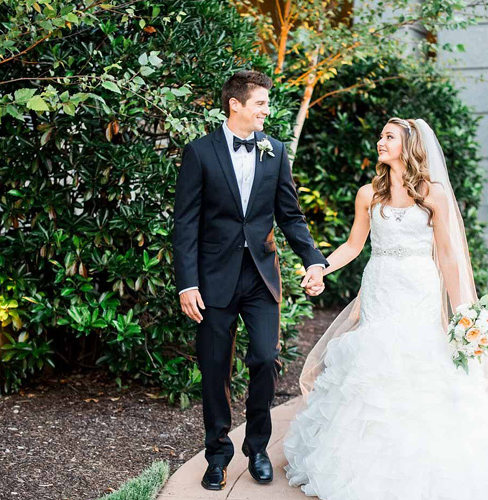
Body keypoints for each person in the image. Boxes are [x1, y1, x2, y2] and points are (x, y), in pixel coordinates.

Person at [282, 117, 488, 500]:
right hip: (380, 286)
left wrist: (464, 311)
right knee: (374, 361)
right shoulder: (368, 194)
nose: (380, 141)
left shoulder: (433, 194)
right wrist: (321, 268)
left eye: (389, 136)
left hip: (419, 288)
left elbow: (447, 255)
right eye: (380, 135)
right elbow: (353, 247)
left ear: (408, 145)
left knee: (420, 361)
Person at [172, 70, 329, 491]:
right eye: (260, 102)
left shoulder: (274, 151)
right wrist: (188, 284)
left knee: (264, 358)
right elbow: (185, 224)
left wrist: (315, 260)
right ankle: (217, 454)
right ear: (235, 104)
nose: (266, 110)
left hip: (261, 277)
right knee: (214, 369)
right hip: (212, 280)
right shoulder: (200, 153)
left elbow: (290, 216)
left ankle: (257, 448)